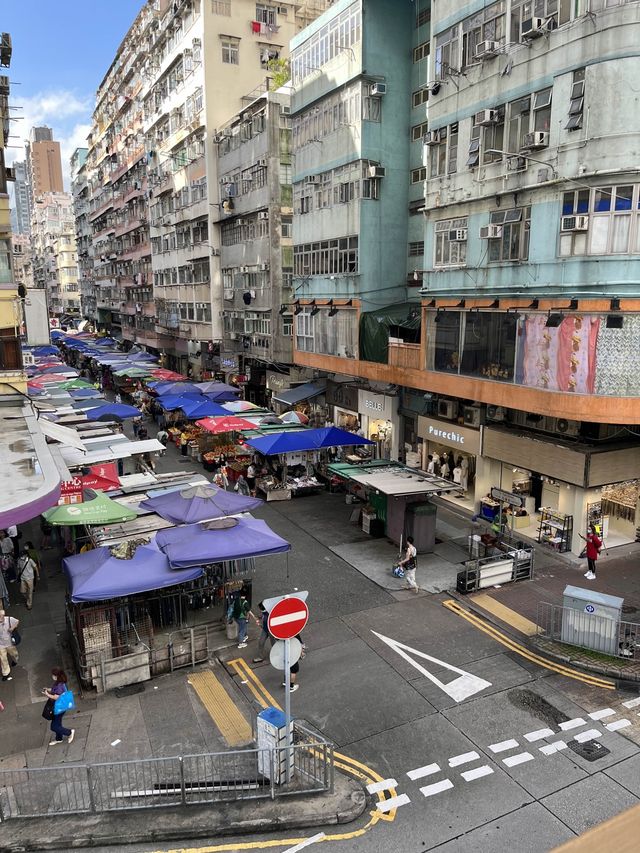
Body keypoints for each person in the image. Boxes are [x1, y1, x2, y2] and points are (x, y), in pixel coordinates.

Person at [42, 668, 75, 745]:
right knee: (57, 723)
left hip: (59, 708)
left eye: (53, 675)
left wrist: (47, 695)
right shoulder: (59, 683)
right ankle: (59, 738)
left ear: (57, 676)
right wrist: (48, 689)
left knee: (54, 726)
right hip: (59, 707)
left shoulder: (60, 685)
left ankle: (69, 732)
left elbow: (57, 697)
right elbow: (54, 690)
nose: (52, 676)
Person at [0, 609, 19, 681]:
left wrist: (12, 628)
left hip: (10, 643)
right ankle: (6, 673)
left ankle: (15, 660)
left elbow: (17, 621)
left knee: (14, 654)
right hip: (1, 645)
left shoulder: (9, 619)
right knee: (3, 659)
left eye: (1, 616)